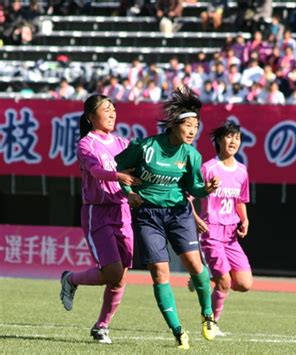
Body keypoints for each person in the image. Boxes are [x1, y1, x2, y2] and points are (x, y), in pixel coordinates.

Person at [114, 86, 220, 350]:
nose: (194, 130)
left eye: (197, 125)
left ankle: (208, 315)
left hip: (179, 214)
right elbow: (118, 170)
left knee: (196, 267)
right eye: (189, 124)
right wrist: (129, 192)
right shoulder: (145, 147)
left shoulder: (192, 155)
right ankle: (178, 331)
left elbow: (192, 188)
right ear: (174, 124)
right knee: (160, 274)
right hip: (148, 215)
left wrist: (205, 189)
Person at [59, 94, 140, 344]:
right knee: (113, 271)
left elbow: (140, 167)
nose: (112, 113)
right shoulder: (86, 144)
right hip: (98, 212)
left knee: (121, 275)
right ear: (91, 116)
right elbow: (95, 171)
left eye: (114, 109)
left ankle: (101, 327)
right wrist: (119, 177)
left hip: (122, 211)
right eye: (106, 109)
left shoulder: (123, 144)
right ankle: (70, 279)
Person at [189, 121, 252, 335]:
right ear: (219, 140)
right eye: (229, 136)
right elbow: (188, 196)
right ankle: (211, 323)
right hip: (211, 232)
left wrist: (244, 219)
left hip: (232, 235)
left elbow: (240, 201)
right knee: (225, 282)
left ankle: (205, 277)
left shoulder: (242, 171)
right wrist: (196, 218)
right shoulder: (208, 168)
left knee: (244, 284)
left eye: (237, 137)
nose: (234, 141)